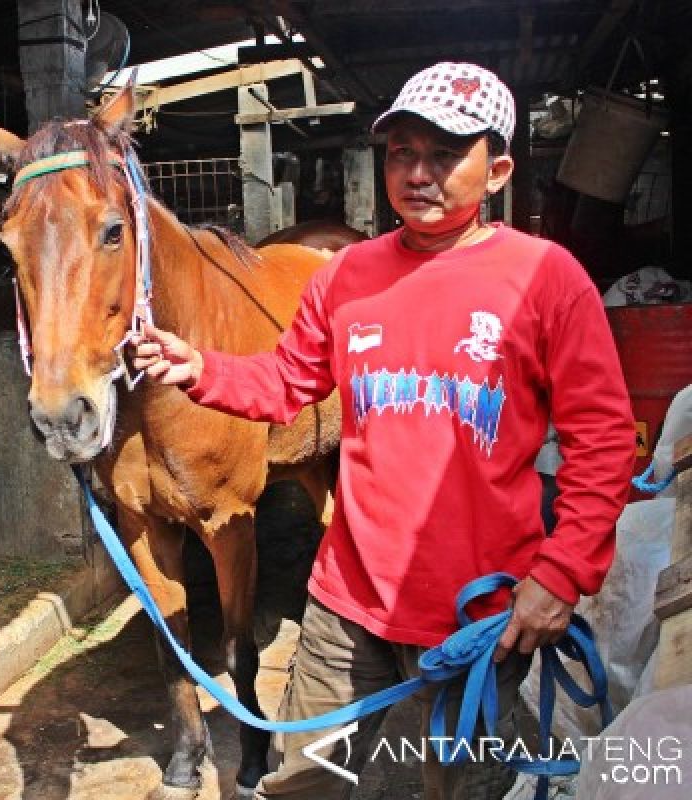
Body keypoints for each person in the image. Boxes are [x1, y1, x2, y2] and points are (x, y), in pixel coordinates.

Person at [132, 61, 636, 799]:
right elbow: (287, 381)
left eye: (444, 154)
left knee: (458, 787)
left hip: (480, 613)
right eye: (403, 152)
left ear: (497, 171)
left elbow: (605, 443)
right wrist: (201, 368)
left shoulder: (547, 280)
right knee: (306, 781)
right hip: (347, 602)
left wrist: (560, 577)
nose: (418, 173)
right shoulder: (346, 275)